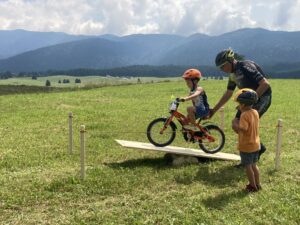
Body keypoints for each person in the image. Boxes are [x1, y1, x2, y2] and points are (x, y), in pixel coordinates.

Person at [210, 49, 272, 165]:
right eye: (220, 68)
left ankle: (251, 159)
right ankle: (259, 147)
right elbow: (228, 93)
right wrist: (213, 110)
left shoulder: (244, 66)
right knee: (236, 124)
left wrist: (252, 100)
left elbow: (265, 84)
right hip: (247, 101)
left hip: (263, 96)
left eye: (223, 66)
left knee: (247, 126)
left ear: (231, 60)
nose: (222, 69)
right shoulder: (232, 75)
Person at [232, 89, 261, 192]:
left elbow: (243, 129)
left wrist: (235, 124)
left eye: (239, 103)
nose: (238, 106)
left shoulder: (244, 115)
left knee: (248, 167)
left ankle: (252, 186)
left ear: (243, 104)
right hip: (256, 144)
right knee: (254, 165)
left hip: (246, 145)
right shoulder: (255, 112)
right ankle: (258, 184)